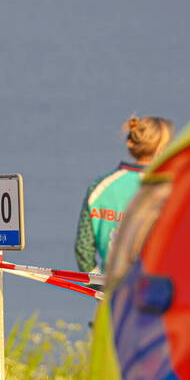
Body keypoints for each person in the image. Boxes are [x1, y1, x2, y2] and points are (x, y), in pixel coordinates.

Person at [75, 116, 174, 273]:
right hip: (155, 288)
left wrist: (99, 288)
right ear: (161, 148)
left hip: (113, 289)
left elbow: (83, 250)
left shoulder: (100, 186)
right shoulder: (166, 188)